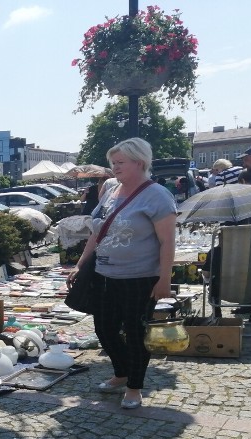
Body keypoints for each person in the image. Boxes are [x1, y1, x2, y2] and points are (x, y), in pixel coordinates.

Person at [67, 138, 177, 409]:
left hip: (139, 278)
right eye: (112, 163)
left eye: (120, 163)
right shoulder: (111, 191)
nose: (114, 167)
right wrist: (81, 264)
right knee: (104, 328)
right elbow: (96, 232)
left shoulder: (158, 195)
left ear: (139, 162)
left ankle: (134, 386)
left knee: (135, 331)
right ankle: (121, 372)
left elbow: (167, 241)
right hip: (104, 274)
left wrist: (165, 279)